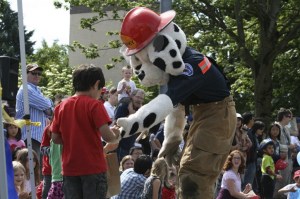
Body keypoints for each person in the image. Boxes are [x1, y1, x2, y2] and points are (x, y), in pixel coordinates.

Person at [50, 64, 120, 199]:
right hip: (93, 168)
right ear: (96, 84)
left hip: (70, 169)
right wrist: (115, 134)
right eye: (101, 90)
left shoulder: (61, 106)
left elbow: (55, 138)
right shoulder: (95, 105)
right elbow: (107, 137)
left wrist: (72, 137)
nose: (100, 94)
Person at [15, 63, 53, 163]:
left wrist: (48, 106)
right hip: (30, 135)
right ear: (25, 74)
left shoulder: (37, 90)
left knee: (37, 171)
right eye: (33, 73)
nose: (37, 76)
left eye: (39, 74)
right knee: (31, 169)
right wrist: (47, 105)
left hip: (37, 137)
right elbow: (47, 105)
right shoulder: (27, 89)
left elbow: (49, 110)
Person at [115, 88, 145, 161]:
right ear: (132, 96)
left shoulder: (139, 108)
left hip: (131, 143)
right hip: (120, 143)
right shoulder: (125, 103)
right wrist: (131, 115)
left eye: (141, 98)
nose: (139, 100)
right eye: (137, 97)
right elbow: (117, 122)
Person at [274, 108, 296, 199]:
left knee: (287, 180)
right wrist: (288, 147)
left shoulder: (286, 128)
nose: (290, 119)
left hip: (288, 157)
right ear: (283, 117)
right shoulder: (276, 127)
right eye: (289, 117)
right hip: (280, 159)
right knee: (280, 181)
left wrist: (291, 149)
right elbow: (275, 143)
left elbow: (295, 133)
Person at [243, 121, 265, 190]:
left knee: (252, 183)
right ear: (256, 128)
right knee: (248, 183)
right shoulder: (250, 135)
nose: (262, 131)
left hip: (253, 162)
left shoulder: (256, 136)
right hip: (250, 162)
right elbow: (252, 149)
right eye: (261, 129)